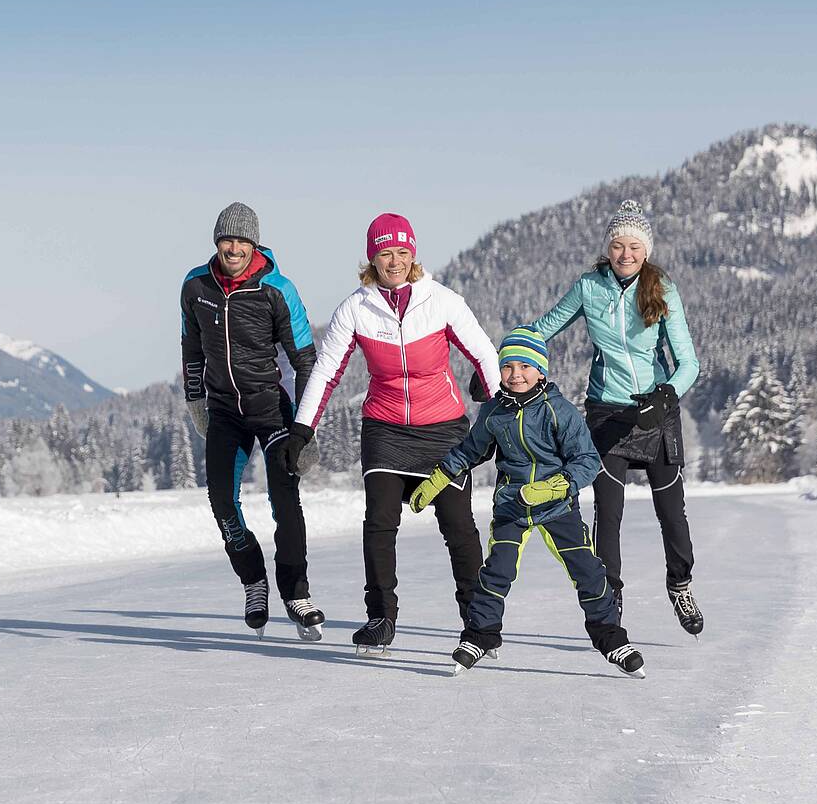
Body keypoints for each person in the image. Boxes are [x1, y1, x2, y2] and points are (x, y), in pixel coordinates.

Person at [285, 213, 499, 656]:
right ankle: (381, 617)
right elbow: (327, 372)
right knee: (380, 523)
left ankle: (478, 621)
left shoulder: (442, 301)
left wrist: (497, 405)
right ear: (372, 258)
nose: (395, 261)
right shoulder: (357, 308)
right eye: (386, 253)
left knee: (459, 527)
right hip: (385, 429)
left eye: (403, 252)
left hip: (443, 429)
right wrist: (303, 429)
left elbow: (484, 352)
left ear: (414, 254)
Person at [409, 329, 645, 677]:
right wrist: (441, 477)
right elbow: (471, 450)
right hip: (512, 506)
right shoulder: (494, 412)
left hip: (558, 507)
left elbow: (588, 461)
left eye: (525, 366)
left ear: (541, 371)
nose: (515, 374)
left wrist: (554, 487)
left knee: (590, 572)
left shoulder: (559, 411)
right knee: (496, 572)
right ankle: (481, 635)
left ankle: (611, 638)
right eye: (508, 366)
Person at [524, 200, 704, 635]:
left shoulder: (661, 287)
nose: (626, 254)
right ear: (608, 249)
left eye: (635, 247)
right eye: (618, 245)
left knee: (672, 513)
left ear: (646, 251)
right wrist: (505, 360)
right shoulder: (590, 287)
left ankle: (679, 583)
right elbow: (542, 328)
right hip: (606, 410)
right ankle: (611, 593)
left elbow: (689, 363)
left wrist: (665, 397)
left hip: (655, 410)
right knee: (608, 511)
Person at [180, 202, 326, 639]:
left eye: (242, 240)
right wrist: (196, 401)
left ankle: (296, 593)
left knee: (285, 501)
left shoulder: (277, 289)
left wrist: (306, 427)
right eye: (227, 239)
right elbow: (190, 348)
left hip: (270, 409)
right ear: (217, 242)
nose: (234, 247)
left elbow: (306, 361)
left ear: (254, 244)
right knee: (222, 501)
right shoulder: (195, 285)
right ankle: (253, 582)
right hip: (225, 411)